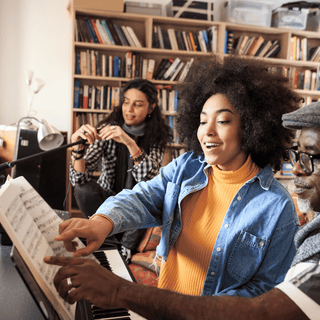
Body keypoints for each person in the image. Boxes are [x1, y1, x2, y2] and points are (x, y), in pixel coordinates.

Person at [46, 54, 302, 297]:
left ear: (251, 126)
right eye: (202, 121)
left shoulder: (277, 207)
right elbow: (143, 197)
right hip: (162, 305)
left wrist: (190, 309)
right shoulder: (186, 167)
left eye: (222, 121)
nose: (207, 132)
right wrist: (99, 223)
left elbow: (267, 290)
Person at [69, 78, 171, 257]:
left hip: (138, 205)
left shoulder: (156, 136)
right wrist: (78, 152)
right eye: (126, 102)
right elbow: (79, 180)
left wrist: (129, 142)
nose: (129, 110)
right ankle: (114, 244)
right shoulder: (107, 130)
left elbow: (150, 180)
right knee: (84, 190)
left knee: (152, 199)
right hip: (107, 200)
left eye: (138, 104)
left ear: (151, 107)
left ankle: (113, 243)